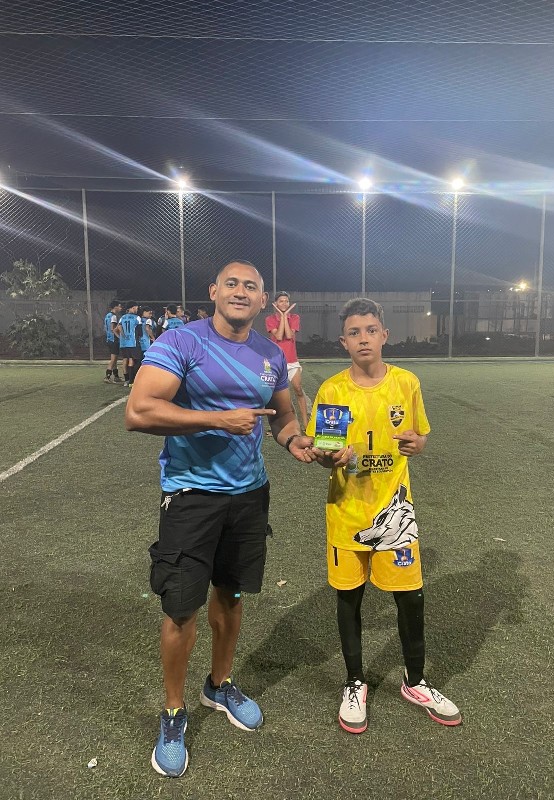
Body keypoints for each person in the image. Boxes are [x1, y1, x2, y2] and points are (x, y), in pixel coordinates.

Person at [125, 260, 316, 778]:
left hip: (249, 496)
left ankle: (219, 685)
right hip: (191, 496)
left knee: (230, 595)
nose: (240, 291)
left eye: (251, 286)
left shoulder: (270, 354)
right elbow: (139, 411)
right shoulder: (182, 342)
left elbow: (282, 416)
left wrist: (295, 441)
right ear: (213, 291)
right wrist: (216, 418)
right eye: (231, 283)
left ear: (263, 300)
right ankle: (173, 711)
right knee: (180, 610)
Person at [307, 297, 461, 735]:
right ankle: (355, 682)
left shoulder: (406, 383)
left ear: (384, 335)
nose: (363, 339)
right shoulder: (333, 390)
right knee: (348, 596)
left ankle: (416, 682)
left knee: (410, 597)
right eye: (354, 333)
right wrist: (330, 457)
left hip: (396, 514)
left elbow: (419, 437)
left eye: (370, 330)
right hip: (346, 512)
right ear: (343, 342)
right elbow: (324, 452)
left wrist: (417, 444)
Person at [265, 291, 311, 430]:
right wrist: (283, 316)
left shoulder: (295, 317)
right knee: (278, 396)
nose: (284, 303)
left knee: (298, 389)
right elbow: (279, 336)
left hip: (292, 360)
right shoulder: (270, 319)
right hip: (276, 361)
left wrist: (285, 316)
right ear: (275, 304)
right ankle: (282, 425)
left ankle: (306, 424)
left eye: (286, 301)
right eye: (281, 301)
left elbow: (289, 335)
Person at [116, 301, 142, 387]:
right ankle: (133, 380)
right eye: (136, 308)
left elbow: (119, 327)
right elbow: (140, 332)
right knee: (136, 360)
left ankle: (127, 380)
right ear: (133, 307)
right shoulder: (137, 318)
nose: (137, 310)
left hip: (124, 343)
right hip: (133, 343)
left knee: (128, 360)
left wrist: (123, 335)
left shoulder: (122, 317)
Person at [103, 300, 123, 383]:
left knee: (115, 359)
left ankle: (116, 376)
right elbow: (112, 329)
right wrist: (119, 337)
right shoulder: (113, 316)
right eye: (119, 306)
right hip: (113, 339)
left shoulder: (107, 315)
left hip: (109, 339)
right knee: (113, 359)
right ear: (115, 307)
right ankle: (107, 377)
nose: (121, 308)